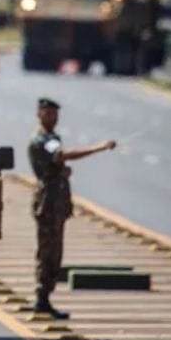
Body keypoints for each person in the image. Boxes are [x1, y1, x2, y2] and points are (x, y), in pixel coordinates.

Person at [28, 98, 116, 319]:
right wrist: (99, 147)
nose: (53, 118)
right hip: (48, 203)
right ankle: (41, 298)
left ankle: (45, 297)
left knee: (55, 252)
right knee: (48, 252)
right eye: (48, 113)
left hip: (56, 201)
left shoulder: (52, 138)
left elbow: (57, 162)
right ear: (39, 114)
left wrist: (62, 171)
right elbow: (63, 155)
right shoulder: (43, 139)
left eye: (55, 114)